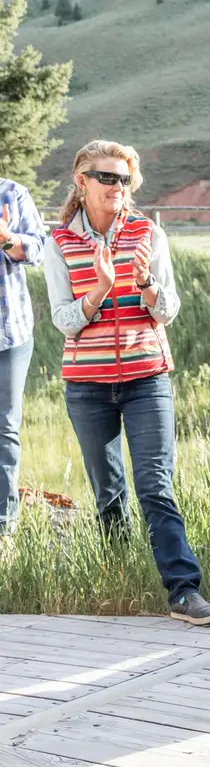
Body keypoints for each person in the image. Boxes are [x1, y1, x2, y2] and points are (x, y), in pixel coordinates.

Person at [43, 140, 210, 625]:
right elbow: (64, 321)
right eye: (107, 178)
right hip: (87, 386)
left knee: (155, 487)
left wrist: (147, 287)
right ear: (82, 182)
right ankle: (117, 583)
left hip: (147, 378)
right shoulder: (58, 243)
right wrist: (99, 290)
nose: (118, 188)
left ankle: (184, 591)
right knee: (108, 492)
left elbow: (167, 313)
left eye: (125, 179)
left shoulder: (149, 234)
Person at [0, 179, 45, 535]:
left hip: (8, 334)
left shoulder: (11, 193)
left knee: (4, 429)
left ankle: (5, 526)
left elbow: (38, 248)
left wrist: (6, 238)